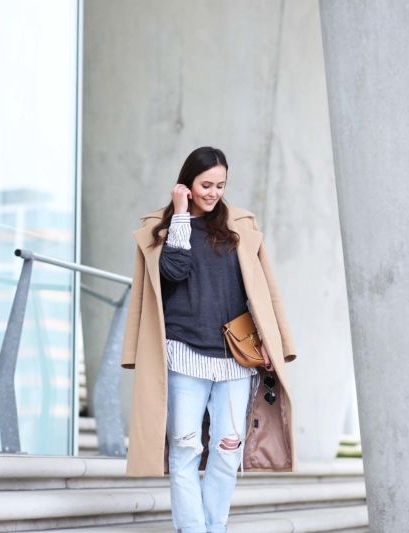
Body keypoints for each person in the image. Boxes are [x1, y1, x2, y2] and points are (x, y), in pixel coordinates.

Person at [121, 146, 298, 533]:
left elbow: (263, 292)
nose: (213, 192)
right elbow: (173, 271)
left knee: (227, 449)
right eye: (205, 184)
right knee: (185, 449)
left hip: (235, 358)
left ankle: (214, 526)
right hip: (184, 355)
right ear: (187, 183)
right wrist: (181, 214)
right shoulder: (164, 227)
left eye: (220, 185)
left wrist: (270, 340)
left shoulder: (239, 227)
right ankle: (193, 529)